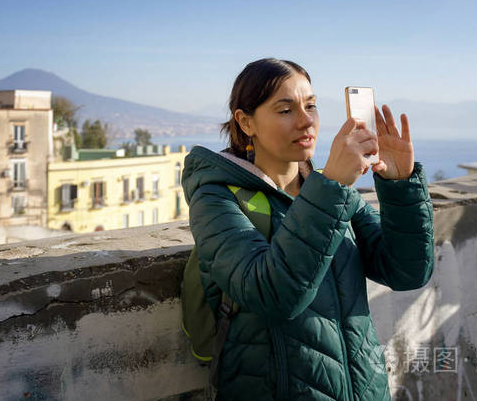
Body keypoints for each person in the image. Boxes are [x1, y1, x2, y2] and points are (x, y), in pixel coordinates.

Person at [182, 58, 434, 400]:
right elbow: (274, 293)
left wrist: (399, 186)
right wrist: (331, 185)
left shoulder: (328, 192)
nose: (306, 121)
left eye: (311, 106)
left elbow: (407, 272)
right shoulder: (216, 197)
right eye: (285, 110)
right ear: (246, 122)